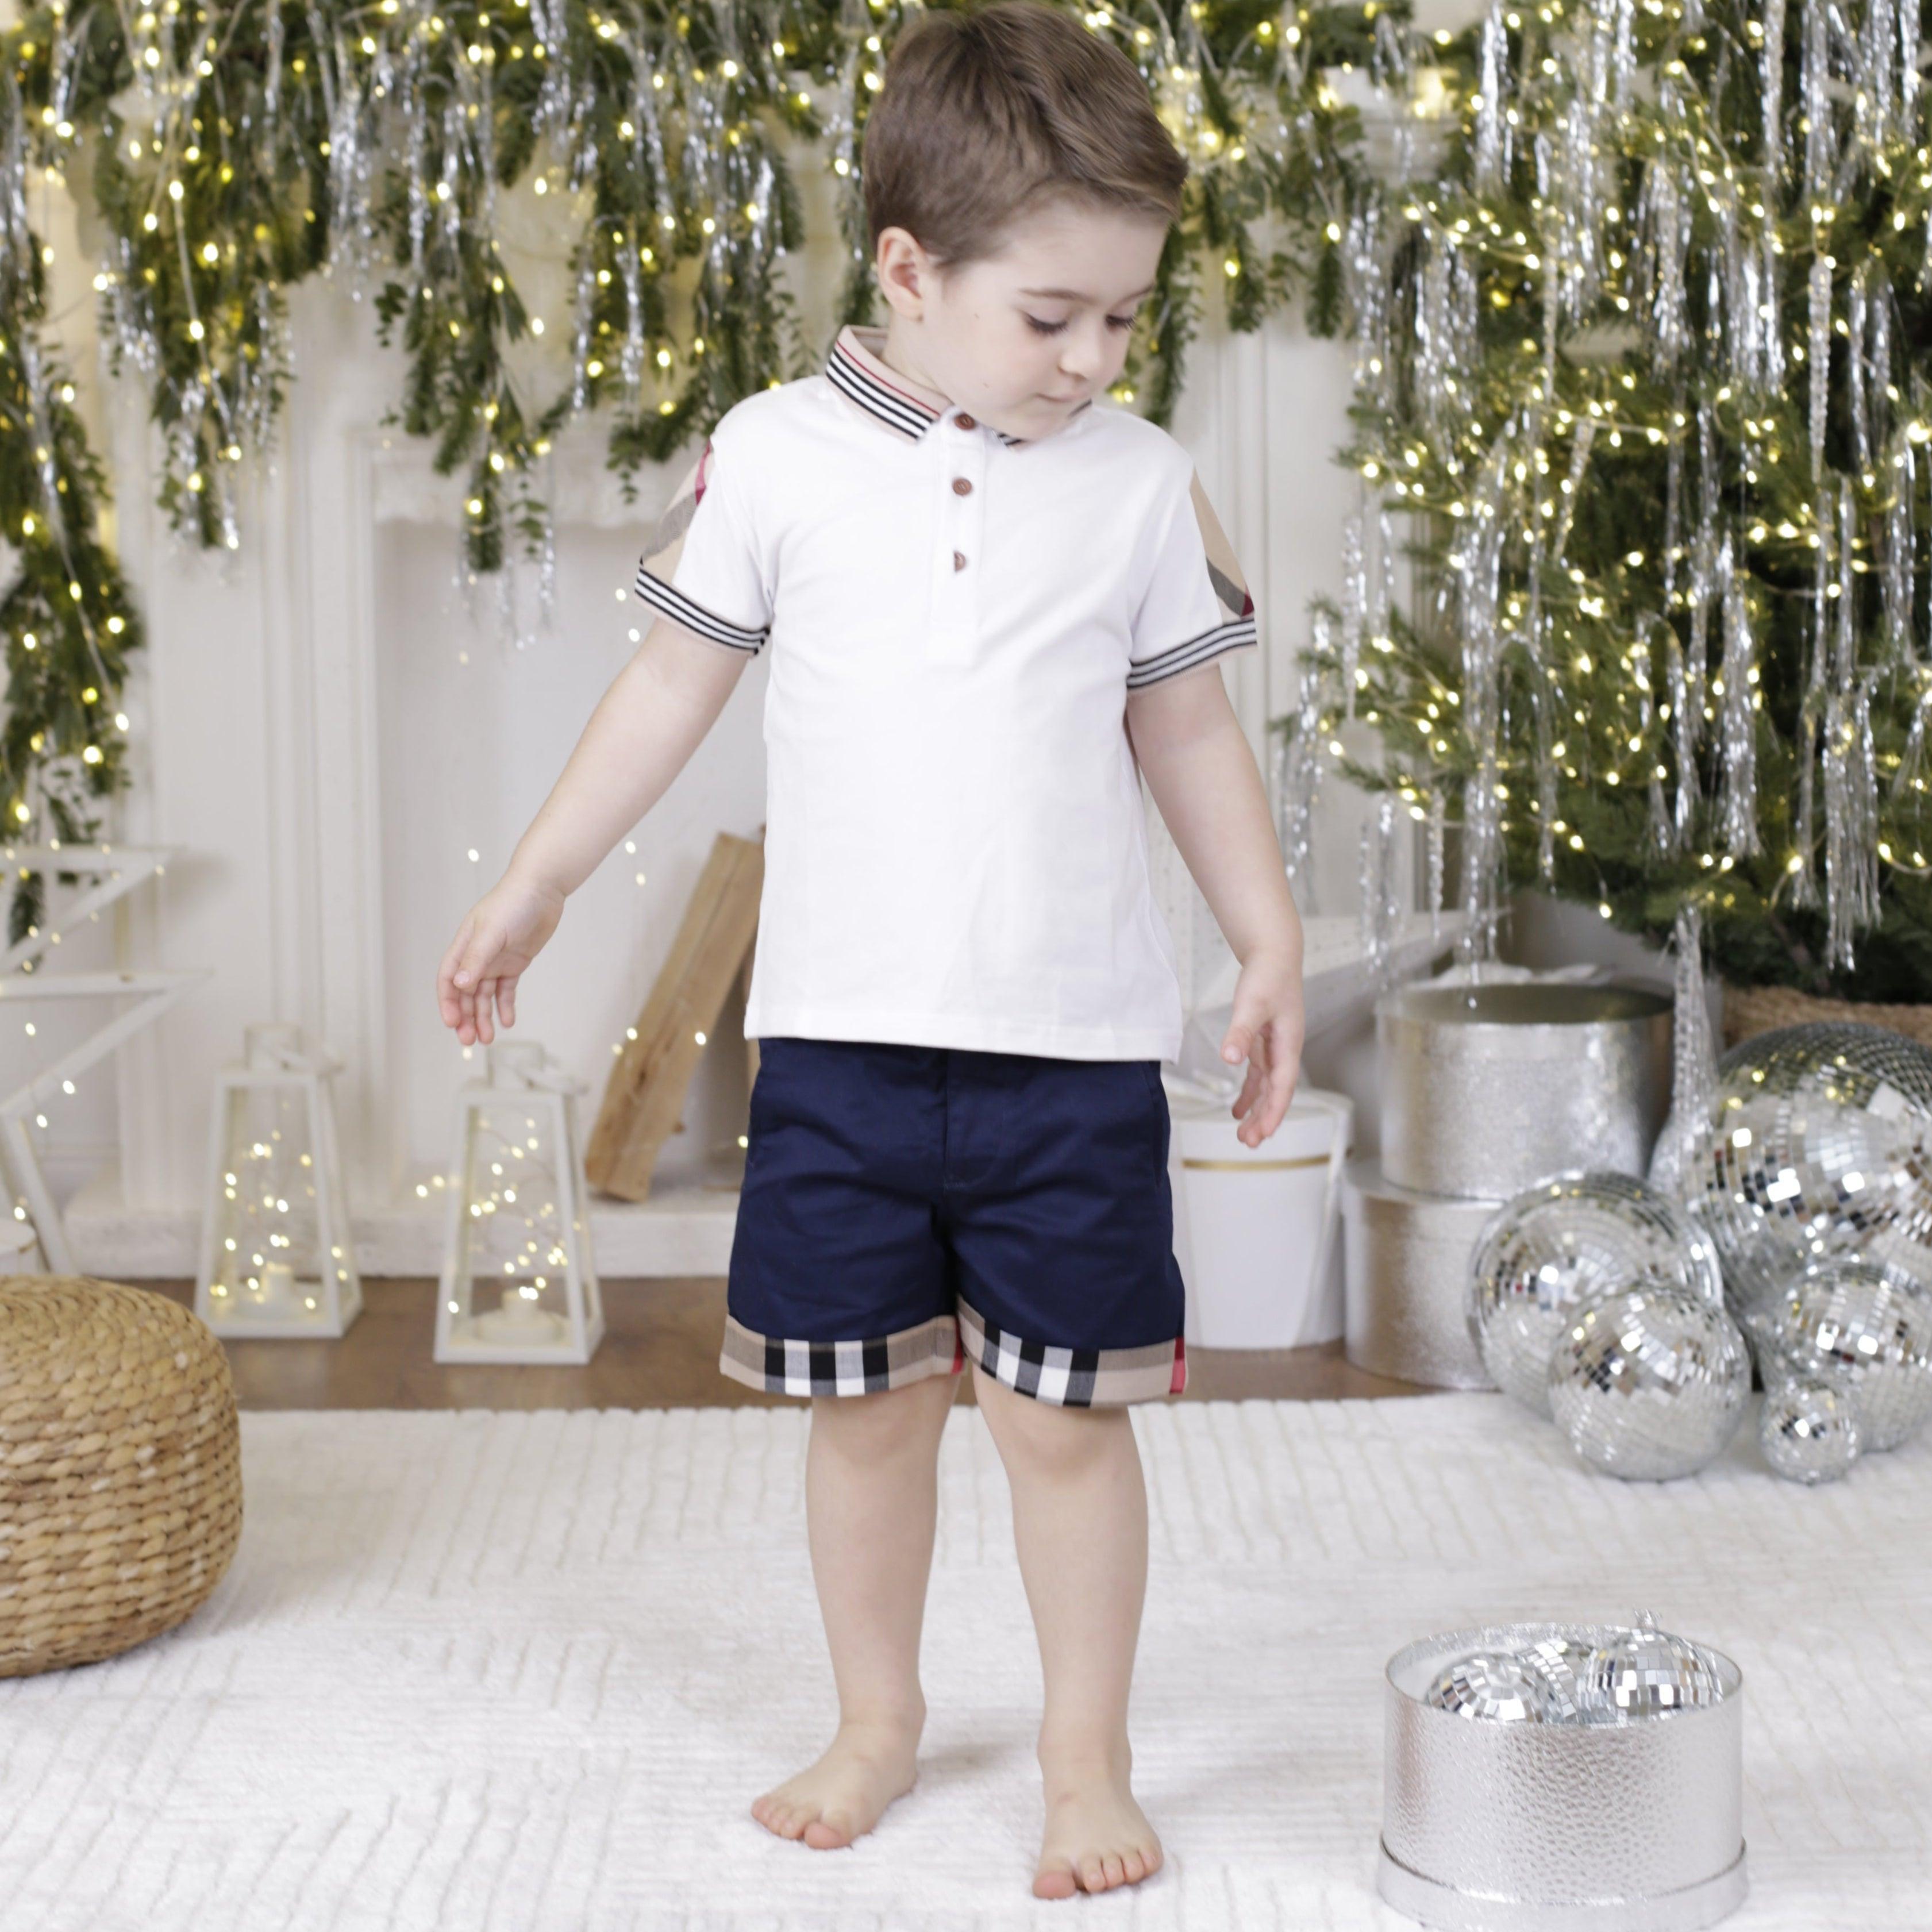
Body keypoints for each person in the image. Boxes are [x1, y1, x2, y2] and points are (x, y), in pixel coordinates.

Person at [436, 0, 1304, 1899]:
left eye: (1122, 317)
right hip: (838, 1055)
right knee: (865, 1417)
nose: (1092, 357)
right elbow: (668, 691)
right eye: (1049, 315)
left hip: (1071, 1058)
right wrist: (538, 880)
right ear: (908, 272)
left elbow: (1184, 734)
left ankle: (1082, 1758)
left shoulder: (1139, 484)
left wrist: (1264, 939)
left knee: (1059, 1428)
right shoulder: (772, 459)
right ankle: (877, 1718)